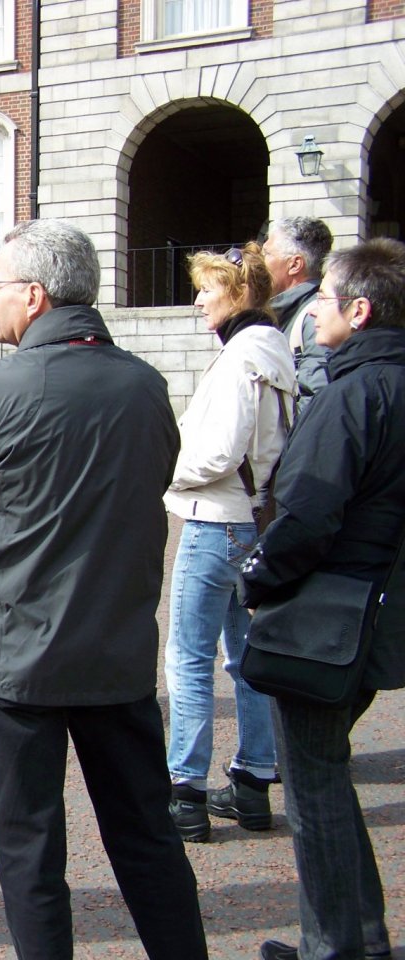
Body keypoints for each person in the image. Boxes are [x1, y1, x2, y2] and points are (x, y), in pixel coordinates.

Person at [0, 219, 207, 960]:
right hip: (117, 652)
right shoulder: (146, 386)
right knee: (148, 838)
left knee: (29, 850)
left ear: (34, 293)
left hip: (20, 655)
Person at [238, 238, 405, 960]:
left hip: (330, 617)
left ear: (359, 310)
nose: (313, 317)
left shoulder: (353, 394)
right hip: (378, 609)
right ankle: (356, 937)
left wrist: (255, 577)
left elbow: (305, 516)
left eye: (327, 303)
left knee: (313, 788)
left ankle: (338, 946)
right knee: (326, 777)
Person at [163, 243, 296, 842]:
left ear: (237, 293)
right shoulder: (273, 351)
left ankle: (185, 793)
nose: (197, 301)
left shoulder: (243, 356)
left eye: (206, 291)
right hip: (253, 521)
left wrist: (161, 469)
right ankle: (253, 785)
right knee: (245, 660)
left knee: (188, 659)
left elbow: (218, 452)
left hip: (216, 520)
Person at [262, 216, 334, 411]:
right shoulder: (282, 312)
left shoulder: (314, 317)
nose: (259, 263)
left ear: (295, 264)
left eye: (266, 254)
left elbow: (316, 404)